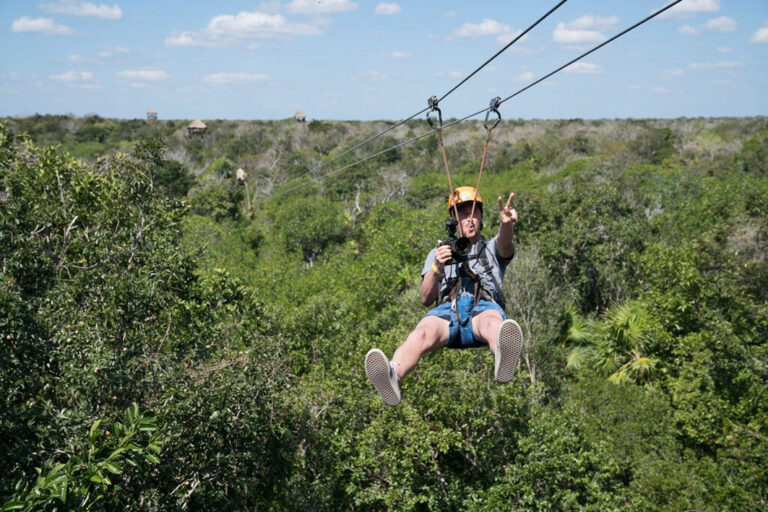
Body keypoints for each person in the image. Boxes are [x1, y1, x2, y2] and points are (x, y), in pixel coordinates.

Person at [365, 186, 524, 406]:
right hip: (447, 313)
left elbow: (505, 243)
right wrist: (438, 265)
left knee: (492, 322)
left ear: (482, 218)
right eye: (463, 214)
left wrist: (506, 224)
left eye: (474, 213)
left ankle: (503, 354)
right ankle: (393, 374)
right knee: (421, 333)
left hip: (483, 308)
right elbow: (426, 298)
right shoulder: (437, 253)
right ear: (454, 219)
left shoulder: (491, 249)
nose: (470, 219)